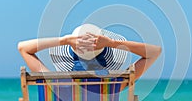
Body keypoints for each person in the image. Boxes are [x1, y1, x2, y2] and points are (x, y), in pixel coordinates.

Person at [18, 24, 161, 89]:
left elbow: (23, 48)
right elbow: (155, 52)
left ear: (70, 56)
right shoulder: (114, 85)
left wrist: (64, 40)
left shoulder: (57, 85)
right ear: (106, 56)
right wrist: (112, 43)